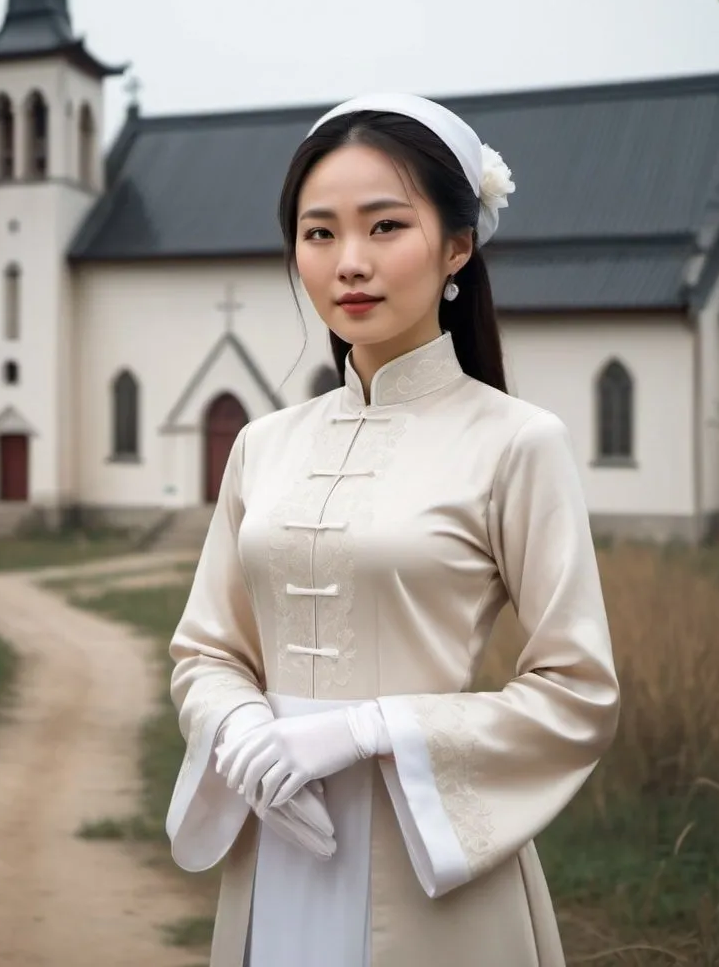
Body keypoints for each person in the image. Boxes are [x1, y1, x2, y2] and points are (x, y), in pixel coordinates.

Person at [165, 93, 620, 967]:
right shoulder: (264, 445)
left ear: (458, 245)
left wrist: (371, 731)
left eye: (385, 227)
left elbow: (578, 691)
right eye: (320, 232)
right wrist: (241, 731)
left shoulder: (518, 443)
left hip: (431, 869)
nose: (349, 264)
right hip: (275, 848)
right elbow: (206, 651)